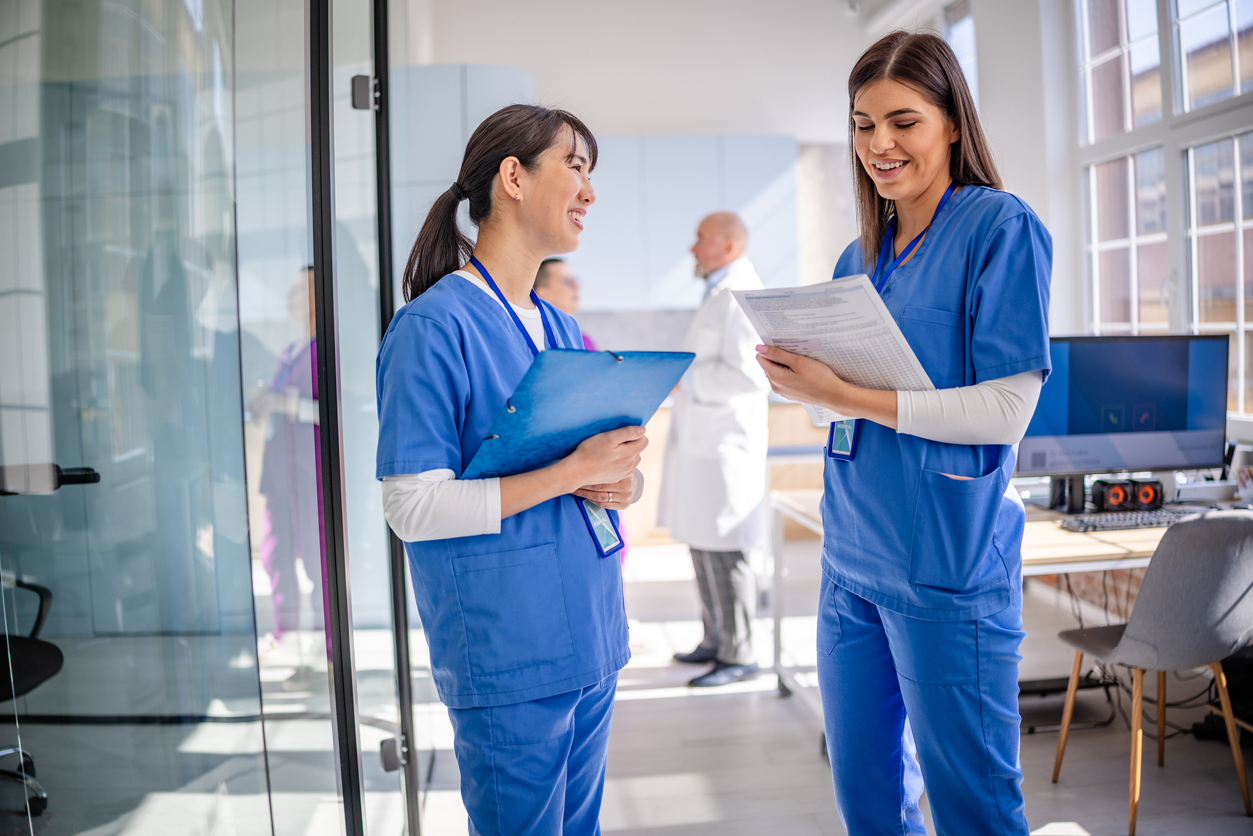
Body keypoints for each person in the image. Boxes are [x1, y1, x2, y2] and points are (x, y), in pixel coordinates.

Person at [754, 32, 1050, 836]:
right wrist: (808, 389)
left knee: (973, 807)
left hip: (944, 563)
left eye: (902, 121)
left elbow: (1004, 410)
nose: (878, 144)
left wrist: (844, 389)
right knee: (867, 798)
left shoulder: (999, 228)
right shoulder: (865, 249)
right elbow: (855, 407)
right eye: (861, 124)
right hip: (852, 557)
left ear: (952, 123)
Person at [375, 104, 648, 835]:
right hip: (509, 649)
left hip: (589, 632)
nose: (590, 192)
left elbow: (598, 470)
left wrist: (622, 479)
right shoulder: (432, 328)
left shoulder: (560, 326)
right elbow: (411, 507)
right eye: (576, 167)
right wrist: (571, 472)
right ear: (513, 178)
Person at [659, 212, 771, 688]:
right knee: (702, 544)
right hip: (706, 443)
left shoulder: (742, 294)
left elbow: (750, 375)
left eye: (700, 239)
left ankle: (739, 654)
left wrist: (686, 378)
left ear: (728, 246)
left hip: (727, 447)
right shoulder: (717, 292)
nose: (692, 249)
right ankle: (714, 638)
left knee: (727, 552)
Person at [533, 258, 598, 350]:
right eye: (567, 282)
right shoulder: (537, 340)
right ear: (542, 293)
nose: (576, 287)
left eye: (575, 281)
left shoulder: (585, 341)